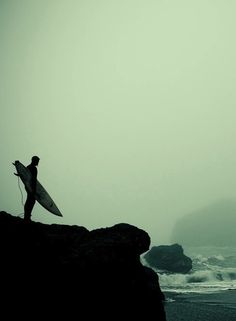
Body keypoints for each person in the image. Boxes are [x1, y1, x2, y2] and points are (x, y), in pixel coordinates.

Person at [24, 156, 40, 221]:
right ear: (34, 160)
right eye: (37, 161)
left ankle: (27, 216)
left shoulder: (28, 167)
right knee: (31, 201)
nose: (38, 163)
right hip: (31, 187)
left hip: (28, 186)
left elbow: (24, 176)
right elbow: (33, 180)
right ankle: (27, 216)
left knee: (29, 200)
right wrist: (34, 190)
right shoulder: (33, 168)